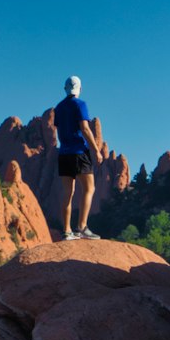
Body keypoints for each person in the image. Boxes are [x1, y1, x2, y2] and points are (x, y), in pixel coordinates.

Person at [54, 75, 103, 240]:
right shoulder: (80, 104)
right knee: (89, 189)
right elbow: (85, 128)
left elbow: (58, 129)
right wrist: (96, 150)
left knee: (68, 192)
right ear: (80, 89)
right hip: (79, 152)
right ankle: (82, 227)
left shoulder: (59, 107)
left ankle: (67, 231)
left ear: (65, 89)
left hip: (64, 154)